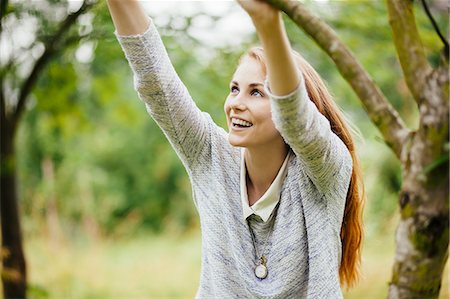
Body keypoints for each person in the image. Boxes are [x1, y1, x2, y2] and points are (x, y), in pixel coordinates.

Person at [106, 0, 365, 298]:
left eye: (257, 92)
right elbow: (156, 82)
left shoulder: (325, 170)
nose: (236, 104)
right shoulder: (210, 156)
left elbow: (296, 118)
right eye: (234, 89)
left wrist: (268, 24)